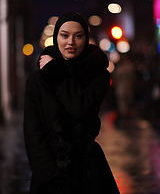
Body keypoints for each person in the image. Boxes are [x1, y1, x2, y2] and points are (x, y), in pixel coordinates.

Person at [23, 12, 120, 194]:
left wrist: (56, 74)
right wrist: (48, 176)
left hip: (88, 171)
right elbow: (32, 133)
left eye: (78, 36)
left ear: (86, 38)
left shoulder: (97, 75)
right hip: (50, 173)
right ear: (56, 37)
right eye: (64, 35)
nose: (71, 42)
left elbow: (81, 109)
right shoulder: (37, 81)